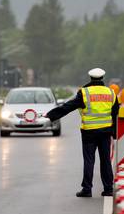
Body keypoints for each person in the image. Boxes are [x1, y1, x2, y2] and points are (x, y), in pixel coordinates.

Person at [46, 68, 119, 197]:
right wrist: (115, 132)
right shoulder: (111, 93)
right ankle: (108, 189)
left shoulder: (84, 93)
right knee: (106, 160)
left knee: (89, 160)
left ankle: (87, 189)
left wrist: (51, 115)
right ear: (102, 78)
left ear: (90, 78)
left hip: (89, 132)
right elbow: (115, 114)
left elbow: (68, 106)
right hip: (105, 132)